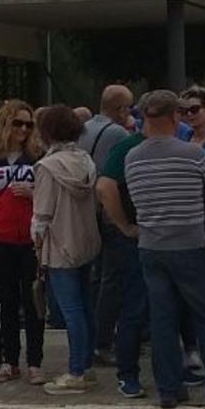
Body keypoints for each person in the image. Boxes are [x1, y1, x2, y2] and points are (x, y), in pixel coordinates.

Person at [114, 90, 205, 409]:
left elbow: (133, 199)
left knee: (162, 319)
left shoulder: (132, 158)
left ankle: (169, 390)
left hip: (150, 245)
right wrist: (197, 218)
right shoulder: (191, 154)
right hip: (189, 242)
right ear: (174, 116)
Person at [33, 104, 100, 395]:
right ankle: (85, 367)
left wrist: (35, 244)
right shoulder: (86, 161)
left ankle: (75, 372)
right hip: (86, 241)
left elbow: (42, 214)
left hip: (59, 244)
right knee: (85, 307)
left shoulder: (47, 167)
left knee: (70, 310)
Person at [0, 98, 43, 384]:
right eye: (18, 123)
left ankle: (35, 362)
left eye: (29, 124)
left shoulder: (39, 156)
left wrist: (33, 194)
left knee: (33, 302)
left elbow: (50, 197)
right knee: (6, 301)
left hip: (31, 239)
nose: (24, 129)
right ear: (5, 123)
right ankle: (9, 360)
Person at [82, 85, 138, 367]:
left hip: (87, 214)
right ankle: (104, 342)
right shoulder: (117, 134)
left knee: (97, 278)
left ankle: (93, 338)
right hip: (110, 215)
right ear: (122, 109)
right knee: (113, 280)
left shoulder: (85, 127)